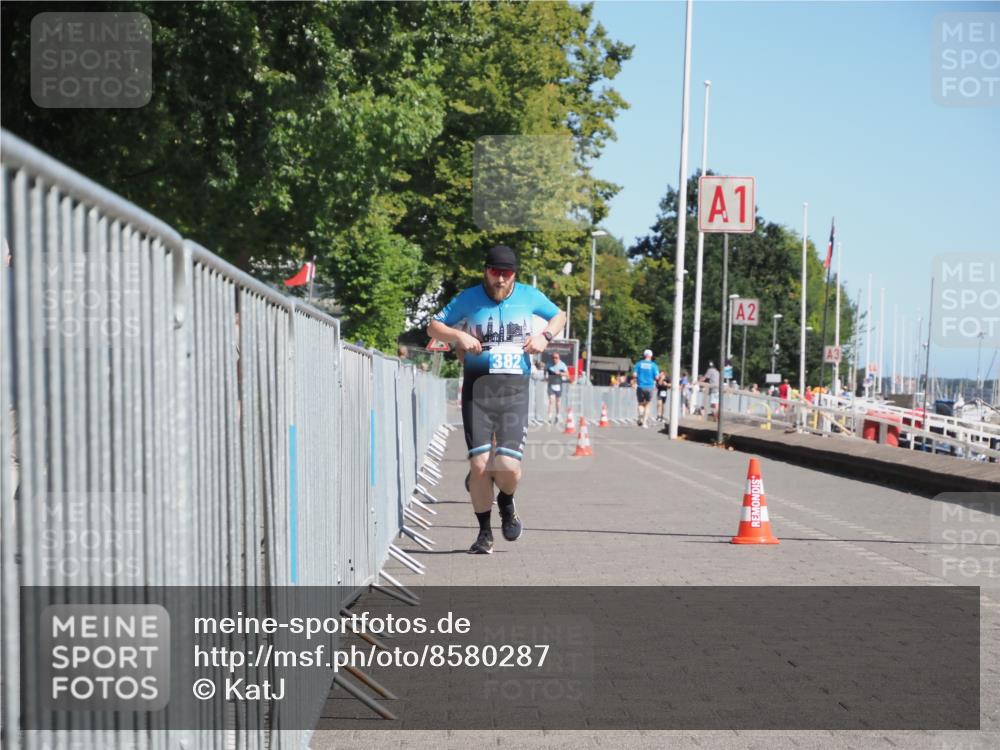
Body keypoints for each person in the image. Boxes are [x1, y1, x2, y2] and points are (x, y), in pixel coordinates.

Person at [427, 245, 565, 555]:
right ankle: (484, 533)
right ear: (485, 270)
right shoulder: (469, 298)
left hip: (514, 393)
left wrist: (545, 337)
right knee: (478, 465)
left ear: (514, 274)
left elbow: (559, 315)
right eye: (495, 272)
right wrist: (457, 336)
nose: (500, 280)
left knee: (507, 466)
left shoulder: (529, 296)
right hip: (478, 392)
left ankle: (505, 500)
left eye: (507, 274)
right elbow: (433, 325)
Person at [633, 349, 659, 428]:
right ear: (651, 356)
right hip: (650, 386)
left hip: (640, 386)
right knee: (647, 404)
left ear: (644, 355)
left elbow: (634, 375)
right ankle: (644, 423)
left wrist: (640, 377)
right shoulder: (654, 365)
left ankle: (640, 415)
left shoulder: (638, 364)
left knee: (640, 403)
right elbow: (657, 377)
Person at [545, 351, 569, 424]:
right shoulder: (548, 364)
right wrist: (545, 376)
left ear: (559, 358)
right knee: (551, 401)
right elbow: (545, 371)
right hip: (551, 384)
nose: (554, 359)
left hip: (558, 384)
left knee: (558, 402)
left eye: (556, 358)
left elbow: (567, 374)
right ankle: (549, 418)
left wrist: (560, 373)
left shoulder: (562, 365)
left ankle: (557, 416)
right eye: (553, 358)